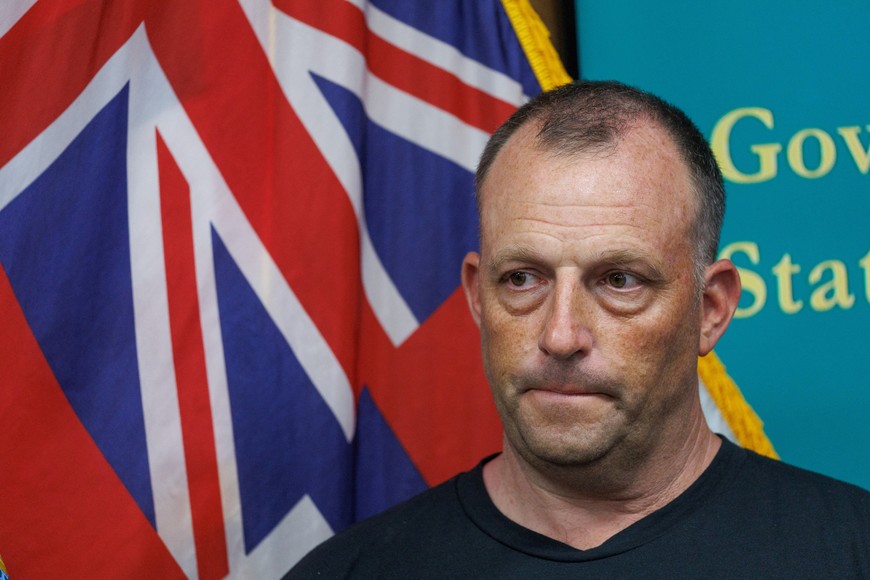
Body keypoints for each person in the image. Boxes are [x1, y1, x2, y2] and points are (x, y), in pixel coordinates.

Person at [286, 81, 870, 578]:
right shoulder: (348, 573)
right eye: (521, 279)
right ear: (476, 297)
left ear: (710, 309)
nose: (561, 336)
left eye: (619, 279)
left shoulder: (849, 553)